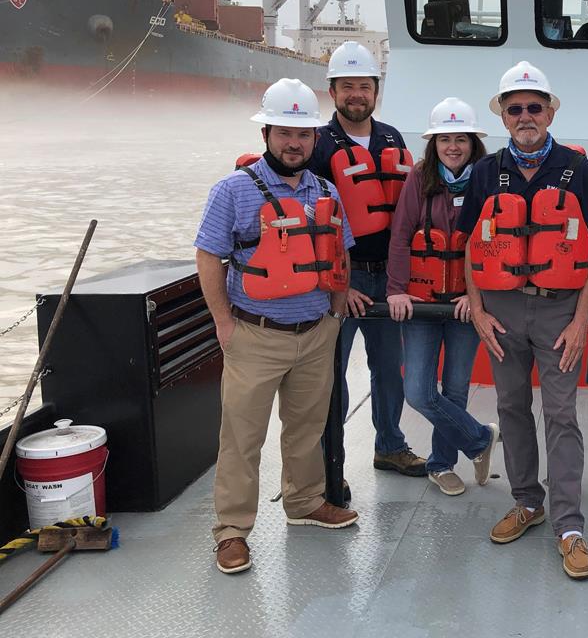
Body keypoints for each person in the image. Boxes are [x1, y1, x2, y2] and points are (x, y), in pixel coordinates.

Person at [195, 78, 359, 575]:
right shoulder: (232, 191)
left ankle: (305, 502)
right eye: (286, 132)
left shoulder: (326, 191)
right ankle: (231, 530)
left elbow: (340, 255)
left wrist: (334, 313)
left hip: (314, 333)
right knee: (242, 437)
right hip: (254, 334)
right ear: (267, 133)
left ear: (314, 140)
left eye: (304, 134)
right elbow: (208, 256)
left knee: (307, 429)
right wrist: (223, 322)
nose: (295, 143)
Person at [457, 61, 588, 580]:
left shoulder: (577, 168)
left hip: (558, 309)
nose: (525, 116)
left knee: (562, 414)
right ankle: (527, 501)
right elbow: (469, 243)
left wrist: (580, 318)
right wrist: (476, 307)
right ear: (502, 115)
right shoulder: (484, 171)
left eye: (534, 107)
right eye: (515, 108)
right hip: (500, 311)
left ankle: (569, 525)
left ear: (551, 111)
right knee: (511, 406)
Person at [310, 41, 426, 478]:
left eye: (365, 86)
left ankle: (390, 446)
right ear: (333, 91)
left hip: (389, 278)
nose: (357, 94)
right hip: (344, 281)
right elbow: (313, 224)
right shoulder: (319, 145)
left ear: (376, 91)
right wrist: (341, 285)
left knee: (388, 370)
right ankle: (327, 459)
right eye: (347, 86)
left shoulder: (392, 138)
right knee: (330, 373)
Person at [386, 97, 500, 496]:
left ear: (473, 143)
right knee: (419, 391)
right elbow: (401, 236)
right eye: (444, 139)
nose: (453, 146)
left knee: (454, 388)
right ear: (433, 143)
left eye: (461, 139)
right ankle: (479, 438)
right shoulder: (420, 178)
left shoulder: (487, 178)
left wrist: (477, 294)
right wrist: (397, 290)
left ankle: (441, 464)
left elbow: (494, 242)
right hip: (421, 302)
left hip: (464, 305)